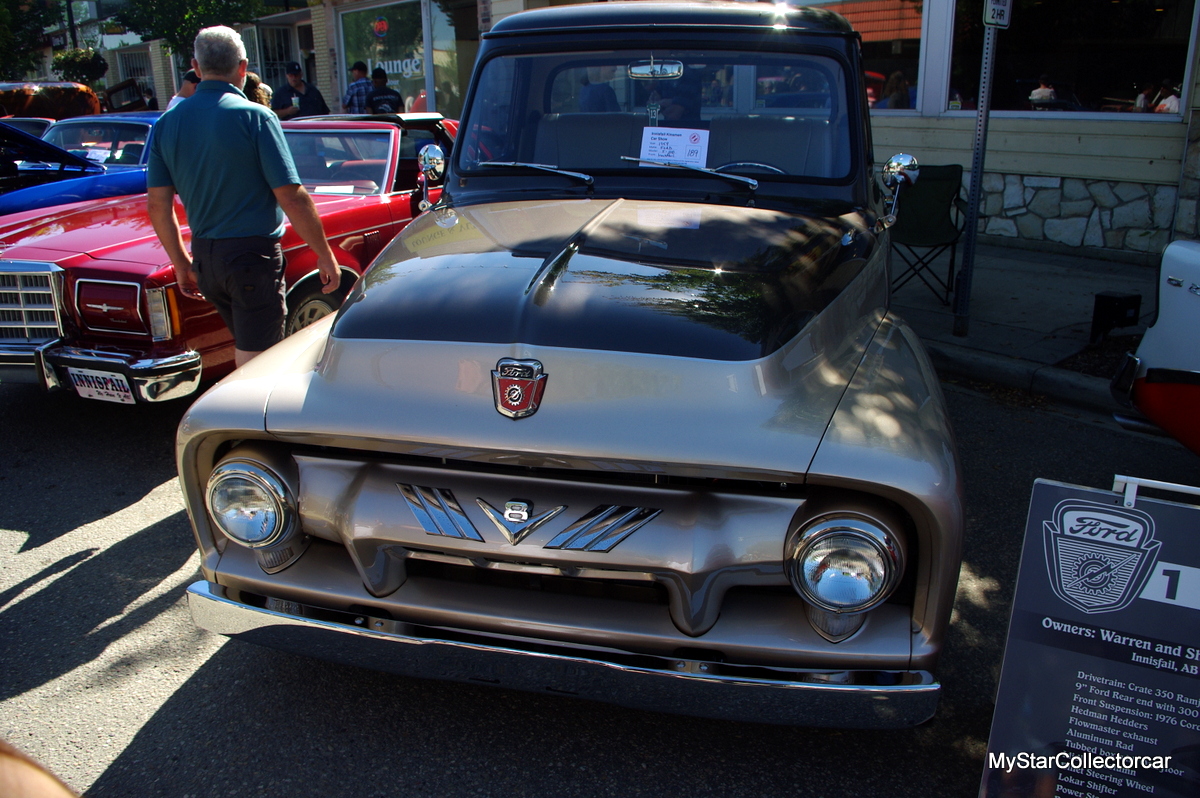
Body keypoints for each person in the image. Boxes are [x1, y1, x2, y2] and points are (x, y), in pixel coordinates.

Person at [147, 26, 338, 367]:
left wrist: (180, 262)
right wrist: (324, 254)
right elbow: (291, 197)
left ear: (196, 66)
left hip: (204, 256)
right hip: (251, 257)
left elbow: (158, 206)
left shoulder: (167, 123)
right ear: (243, 67)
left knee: (248, 348)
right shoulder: (255, 116)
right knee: (259, 363)